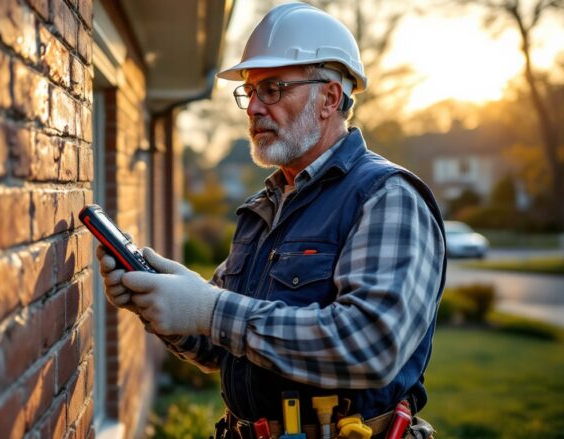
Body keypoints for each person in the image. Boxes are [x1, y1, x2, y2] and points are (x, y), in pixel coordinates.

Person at [97, 3, 445, 439]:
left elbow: (368, 346)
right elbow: (222, 346)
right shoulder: (264, 205)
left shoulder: (386, 197)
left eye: (274, 89)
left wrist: (207, 308)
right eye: (250, 91)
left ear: (330, 98)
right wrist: (159, 301)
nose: (253, 108)